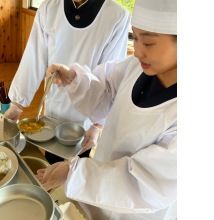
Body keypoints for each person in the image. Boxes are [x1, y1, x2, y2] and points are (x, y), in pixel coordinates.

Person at [36, 0, 177, 219]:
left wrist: (73, 174)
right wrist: (75, 79)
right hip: (97, 191)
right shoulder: (133, 68)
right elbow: (103, 95)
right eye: (135, 38)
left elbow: (145, 184)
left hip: (133, 211)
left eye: (148, 43)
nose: (138, 51)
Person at [4, 0, 130, 163]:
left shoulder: (116, 15)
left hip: (87, 118)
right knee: (50, 161)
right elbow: (33, 58)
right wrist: (17, 104)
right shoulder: (49, 8)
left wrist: (98, 125)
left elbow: (111, 75)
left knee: (76, 168)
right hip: (53, 109)